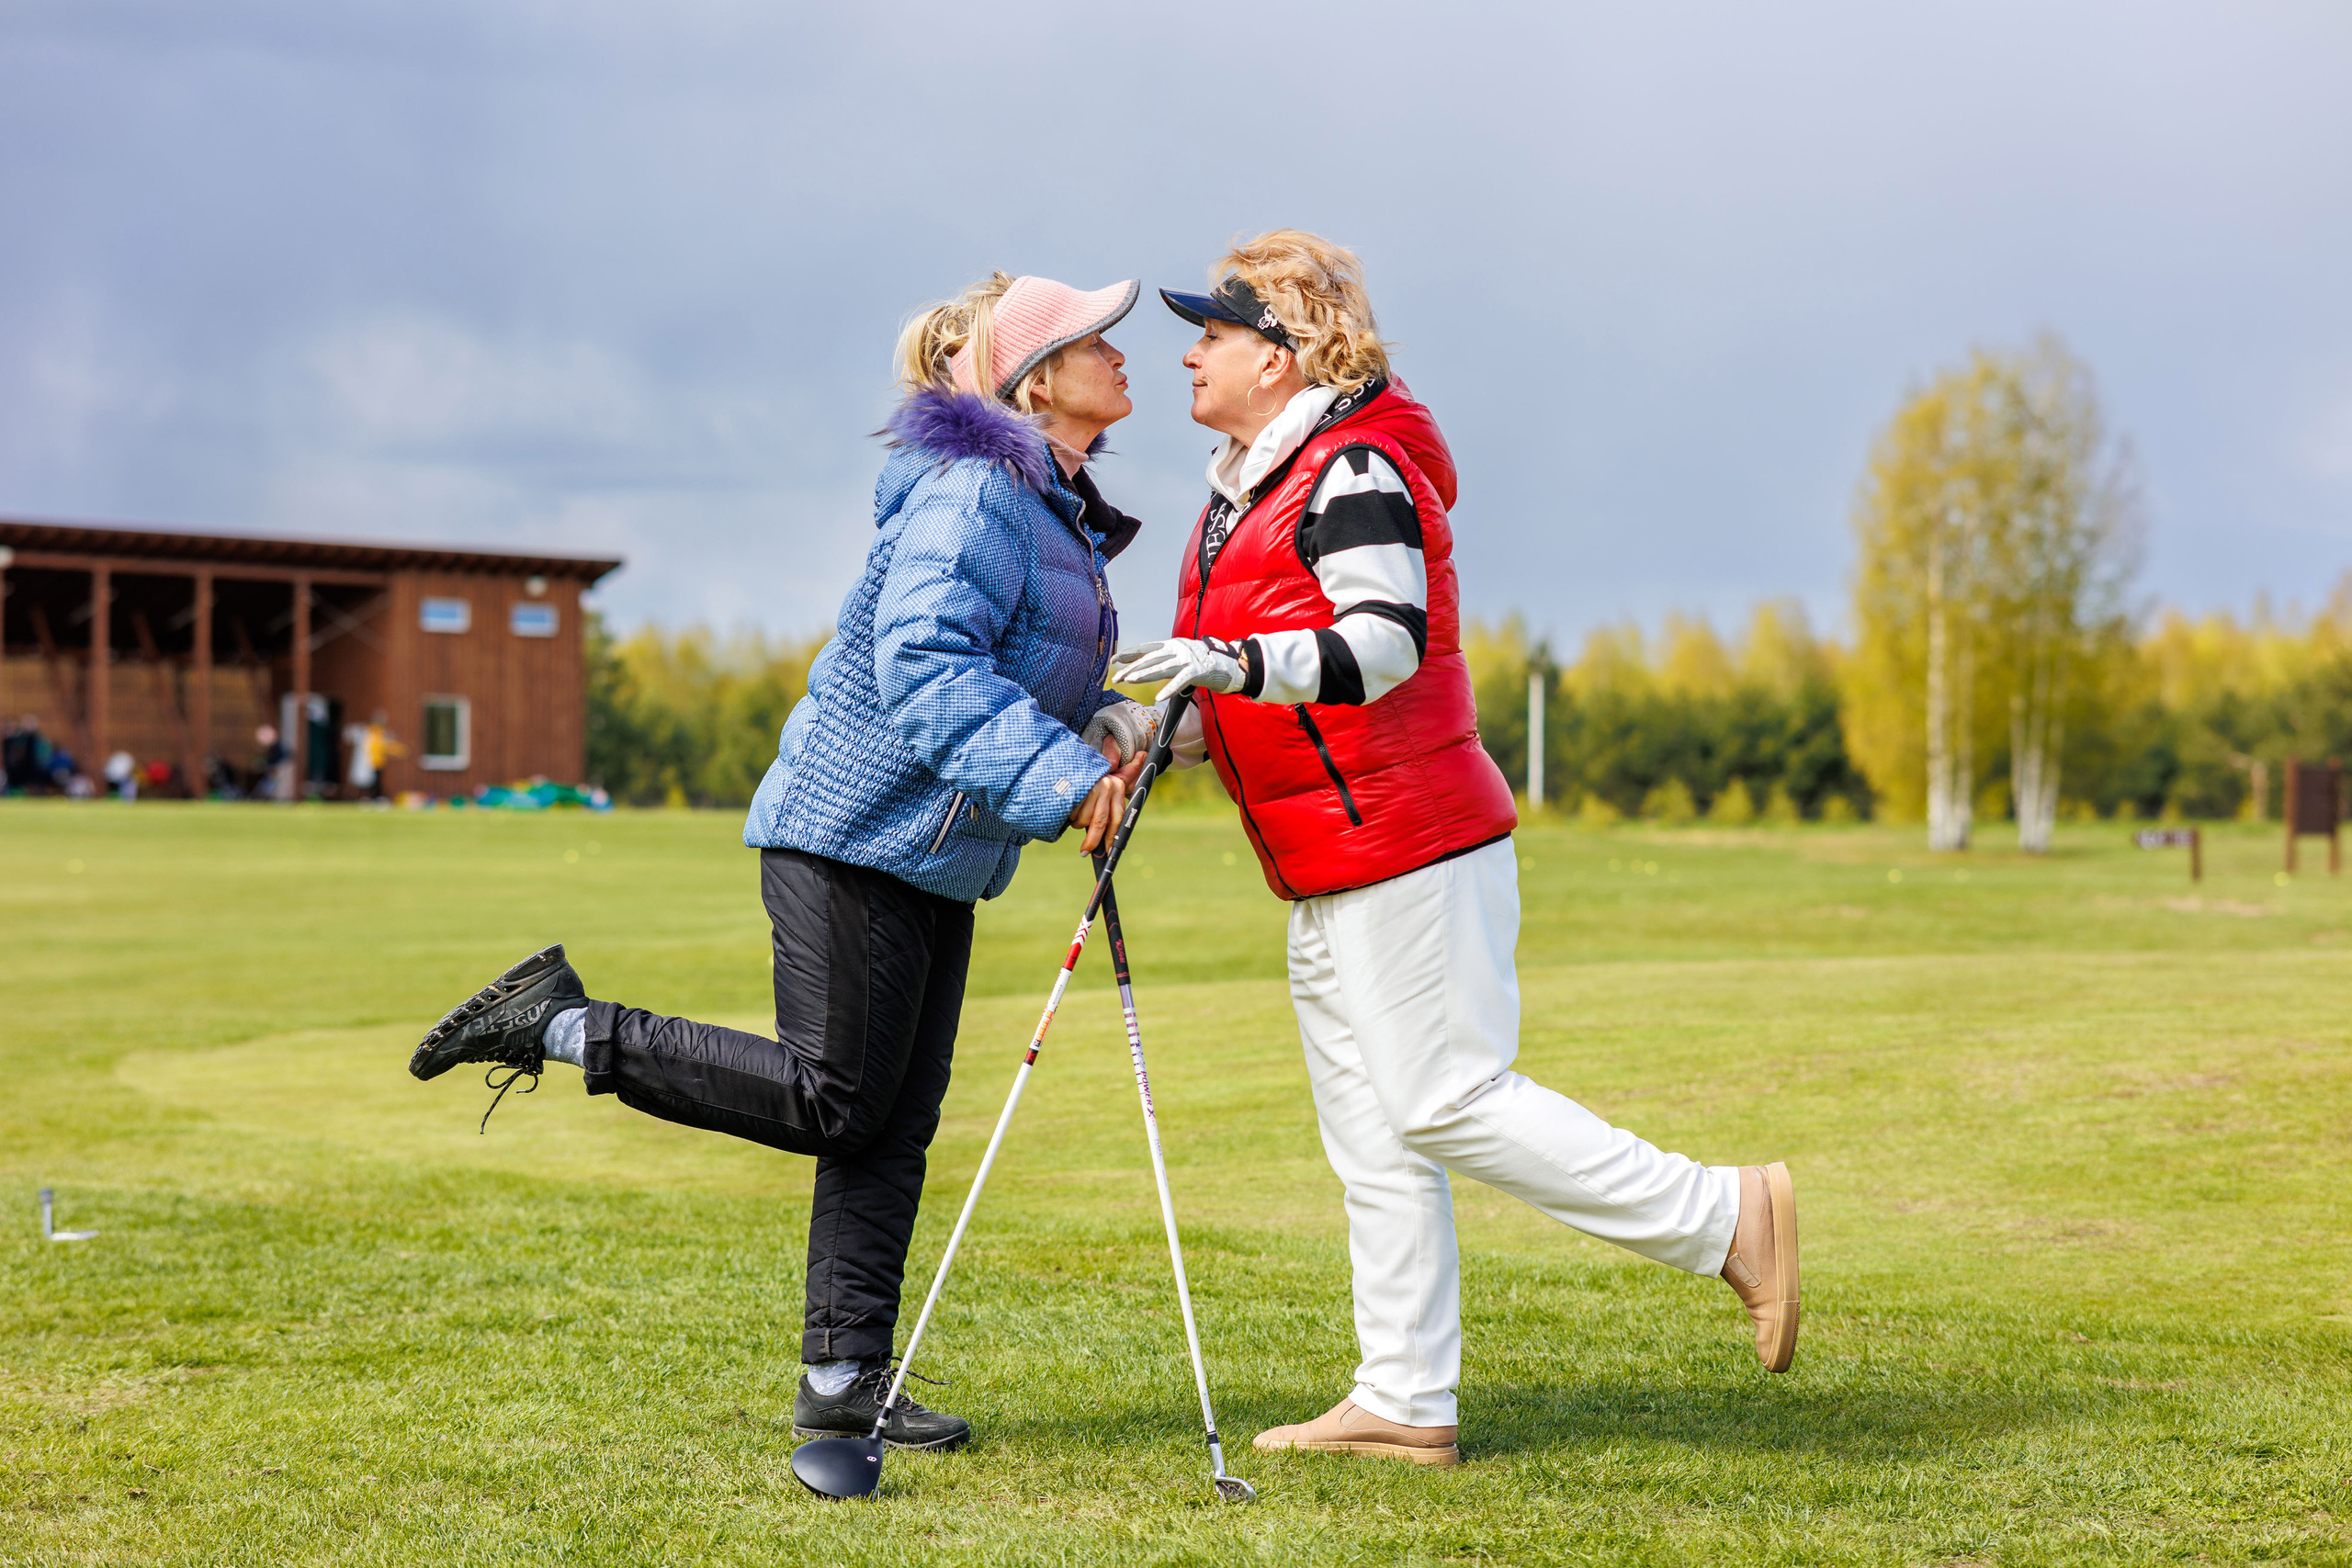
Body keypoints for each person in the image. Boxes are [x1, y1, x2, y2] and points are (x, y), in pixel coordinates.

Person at [409, 273, 1159, 1457]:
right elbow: (925, 665)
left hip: (935, 852)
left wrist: (1108, 726)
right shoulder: (977, 496)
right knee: (837, 1098)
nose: (1123, 356)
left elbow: (1016, 673)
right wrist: (1066, 784)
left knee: (889, 1126)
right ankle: (556, 1023)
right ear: (1033, 380)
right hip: (852, 833)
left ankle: (844, 1380)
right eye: (1095, 341)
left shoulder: (1049, 509)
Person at [1114, 231, 1799, 1469]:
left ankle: (1726, 1215)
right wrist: (1157, 732)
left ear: (1279, 354)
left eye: (1211, 331)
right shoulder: (1244, 491)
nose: (1188, 353)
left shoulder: (1352, 466)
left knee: (1441, 1097)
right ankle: (1405, 1397)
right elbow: (1245, 695)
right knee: (1372, 1138)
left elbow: (1378, 645)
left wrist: (1227, 666)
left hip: (1408, 841)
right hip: (1328, 858)